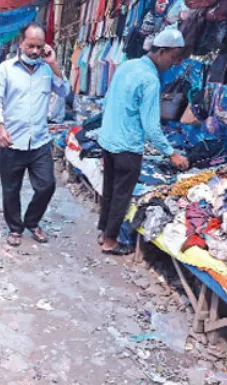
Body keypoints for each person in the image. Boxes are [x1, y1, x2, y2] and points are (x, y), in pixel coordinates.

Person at [96, 28, 191, 255]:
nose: (174, 64)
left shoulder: (128, 66)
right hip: (128, 147)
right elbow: (151, 127)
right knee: (122, 194)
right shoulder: (150, 80)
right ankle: (110, 241)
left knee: (109, 188)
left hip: (108, 141)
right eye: (174, 58)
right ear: (161, 51)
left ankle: (103, 232)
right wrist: (172, 154)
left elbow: (107, 100)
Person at [0, 23, 71, 247]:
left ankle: (32, 221)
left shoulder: (47, 69)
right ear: (20, 44)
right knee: (11, 188)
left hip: (39, 141)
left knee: (47, 185)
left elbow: (65, 91)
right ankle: (15, 228)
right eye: (30, 46)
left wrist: (54, 64)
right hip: (12, 141)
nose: (35, 51)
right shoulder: (6, 69)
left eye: (39, 46)